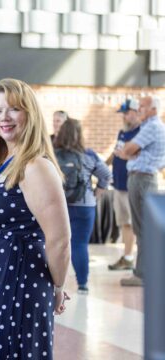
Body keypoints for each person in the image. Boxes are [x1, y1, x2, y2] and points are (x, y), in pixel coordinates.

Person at [0, 78, 71, 359]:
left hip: (19, 283)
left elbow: (60, 240)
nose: (4, 117)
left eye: (13, 109)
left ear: (30, 114)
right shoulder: (5, 163)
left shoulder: (36, 166)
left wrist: (59, 286)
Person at [54, 119, 111, 294]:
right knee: (79, 244)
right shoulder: (89, 155)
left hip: (57, 205)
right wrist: (97, 192)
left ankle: (54, 283)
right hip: (84, 205)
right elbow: (106, 175)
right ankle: (83, 285)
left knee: (55, 244)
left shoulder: (52, 154)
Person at [114, 96, 165, 287]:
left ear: (153, 109)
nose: (139, 109)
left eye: (142, 107)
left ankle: (142, 274)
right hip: (143, 178)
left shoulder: (152, 126)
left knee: (142, 228)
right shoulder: (150, 127)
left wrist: (131, 151)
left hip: (142, 179)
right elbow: (129, 151)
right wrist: (132, 151)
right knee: (142, 227)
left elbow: (127, 150)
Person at [107, 99, 140, 270]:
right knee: (125, 223)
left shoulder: (141, 133)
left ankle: (139, 260)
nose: (124, 117)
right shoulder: (123, 133)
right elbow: (116, 153)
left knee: (136, 225)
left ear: (136, 112)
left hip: (132, 186)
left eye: (127, 113)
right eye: (123, 114)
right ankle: (127, 257)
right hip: (118, 185)